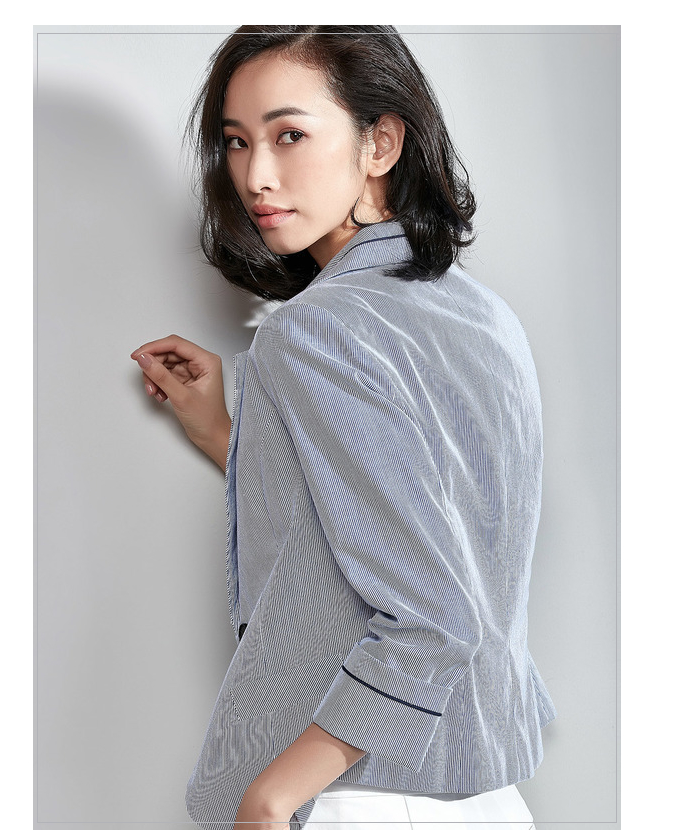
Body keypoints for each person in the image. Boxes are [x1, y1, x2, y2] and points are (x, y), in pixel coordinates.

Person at [131, 26, 556, 830]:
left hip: (361, 794)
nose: (256, 175)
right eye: (237, 141)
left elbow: (435, 619)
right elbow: (412, 521)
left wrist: (271, 797)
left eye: (289, 135)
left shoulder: (312, 331)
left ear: (380, 143)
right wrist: (230, 434)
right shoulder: (484, 315)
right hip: (491, 800)